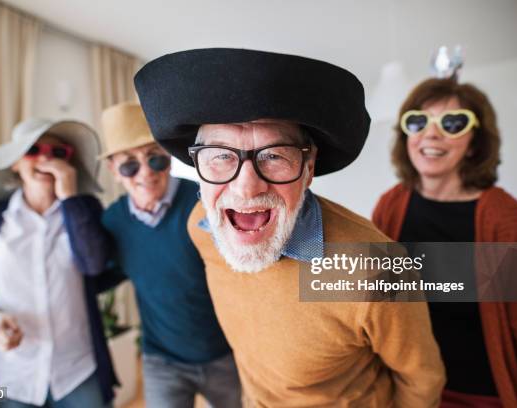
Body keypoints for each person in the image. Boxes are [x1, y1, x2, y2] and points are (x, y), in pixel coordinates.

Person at [134, 48, 445, 407]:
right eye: (220, 155)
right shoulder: (202, 229)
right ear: (197, 166)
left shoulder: (379, 268)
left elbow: (422, 380)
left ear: (309, 167)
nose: (247, 188)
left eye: (274, 155)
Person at [372, 78, 517, 408]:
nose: (432, 134)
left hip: (479, 396)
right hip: (410, 391)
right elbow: (377, 300)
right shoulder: (391, 205)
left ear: (474, 144)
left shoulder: (511, 222)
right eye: (418, 121)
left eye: (453, 124)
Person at [0, 119, 118, 408]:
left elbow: (94, 265)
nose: (45, 157)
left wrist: (69, 197)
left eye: (57, 152)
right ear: (15, 163)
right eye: (33, 149)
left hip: (77, 372)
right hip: (11, 378)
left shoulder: (84, 210)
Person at [97, 101, 241, 408]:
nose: (145, 173)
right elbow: (97, 275)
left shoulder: (205, 202)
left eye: (155, 158)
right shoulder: (113, 222)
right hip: (162, 361)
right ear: (113, 170)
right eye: (129, 164)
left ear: (168, 156)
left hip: (225, 354)